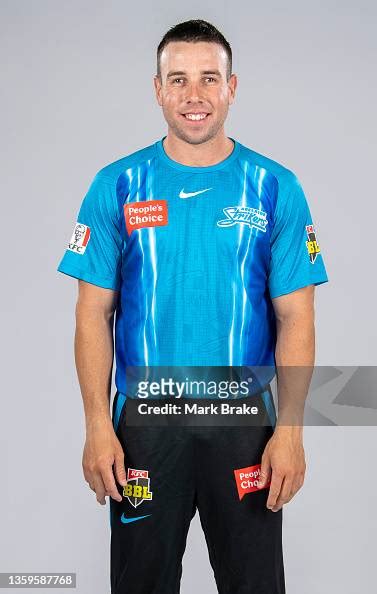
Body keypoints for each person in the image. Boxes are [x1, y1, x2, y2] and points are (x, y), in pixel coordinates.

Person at [57, 18, 328, 594]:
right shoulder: (117, 185)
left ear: (233, 86)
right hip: (146, 426)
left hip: (243, 422)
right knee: (141, 583)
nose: (194, 95)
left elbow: (296, 316)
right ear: (157, 89)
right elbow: (90, 315)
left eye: (209, 78)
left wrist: (293, 432)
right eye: (177, 79)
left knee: (254, 584)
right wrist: (98, 424)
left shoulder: (275, 187)